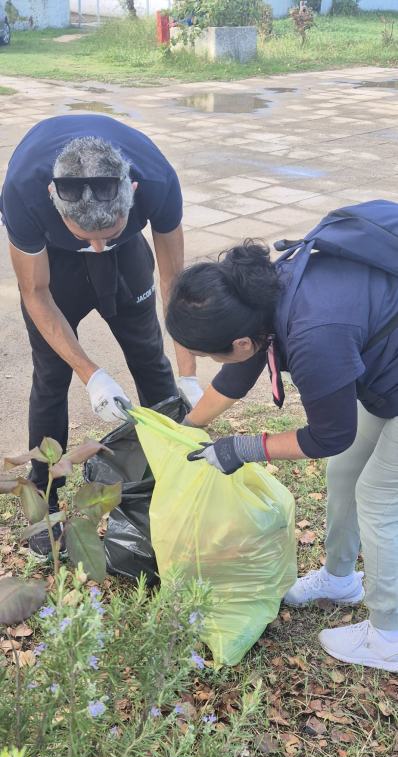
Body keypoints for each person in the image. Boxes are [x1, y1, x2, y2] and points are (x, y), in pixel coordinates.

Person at [165, 238, 398, 671]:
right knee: (345, 473)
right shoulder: (261, 292)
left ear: (239, 341)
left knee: (378, 497)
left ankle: (388, 636)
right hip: (388, 372)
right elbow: (237, 372)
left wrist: (244, 448)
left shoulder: (313, 337)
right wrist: (183, 430)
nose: (210, 361)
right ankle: (340, 578)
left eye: (208, 354)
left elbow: (330, 436)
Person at [0, 114, 203, 554]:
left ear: (132, 193)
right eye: (86, 236)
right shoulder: (23, 191)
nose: (96, 247)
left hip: (128, 261)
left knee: (153, 365)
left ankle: (172, 483)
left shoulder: (157, 179)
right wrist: (91, 373)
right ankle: (45, 508)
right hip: (55, 268)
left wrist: (189, 372)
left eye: (105, 234)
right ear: (53, 197)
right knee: (51, 379)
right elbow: (35, 293)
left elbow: (174, 282)